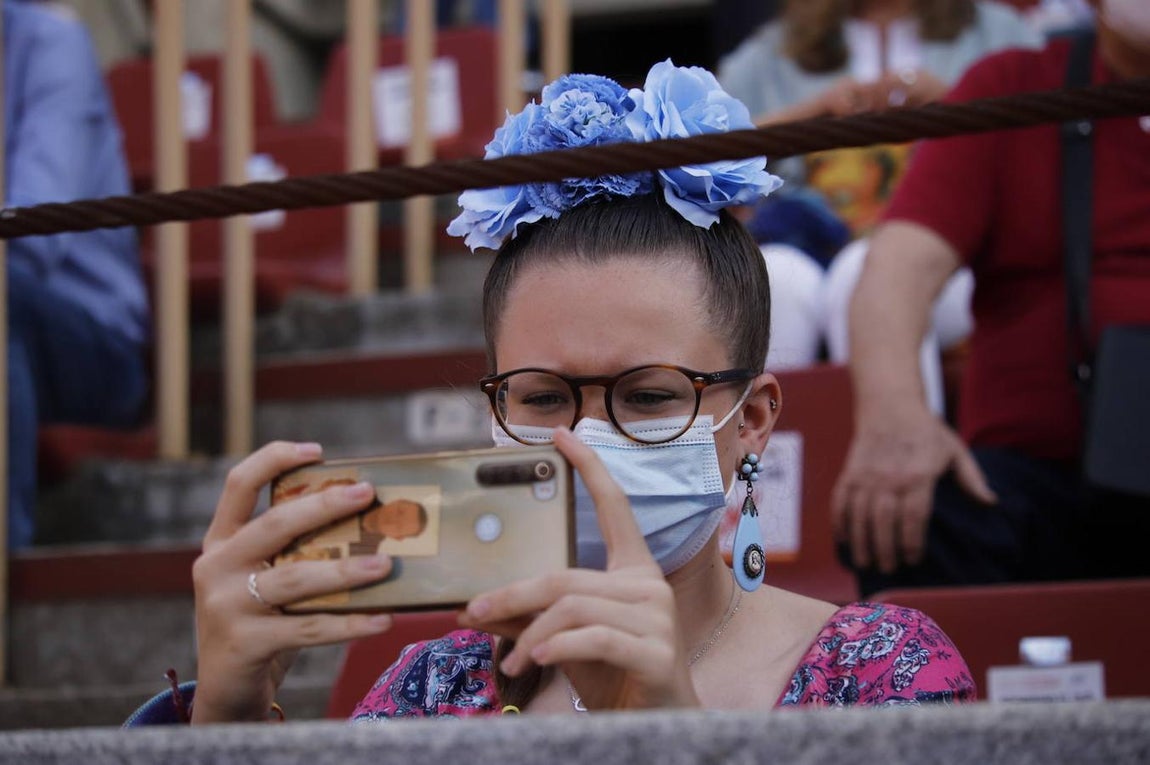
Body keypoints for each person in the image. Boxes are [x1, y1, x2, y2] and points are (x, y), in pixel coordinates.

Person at [132, 61, 974, 725]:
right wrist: (228, 725)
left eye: (647, 396)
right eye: (541, 399)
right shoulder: (430, 689)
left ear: (751, 420)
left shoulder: (877, 672)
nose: (583, 442)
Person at [830, 0, 1150, 596]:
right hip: (1040, 485)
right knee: (906, 518)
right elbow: (896, 267)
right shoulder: (1014, 86)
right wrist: (897, 421)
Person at [717, 0, 1040, 374]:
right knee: (774, 282)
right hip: (806, 241)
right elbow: (708, 152)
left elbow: (1050, 147)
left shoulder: (998, 32)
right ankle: (772, 432)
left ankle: (892, 433)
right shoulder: (772, 52)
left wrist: (954, 104)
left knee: (863, 272)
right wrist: (814, 115)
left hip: (956, 251)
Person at [4, 0, 150, 548]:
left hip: (94, 345)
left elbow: (29, 235)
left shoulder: (50, 43)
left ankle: (6, 558)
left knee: (0, 291)